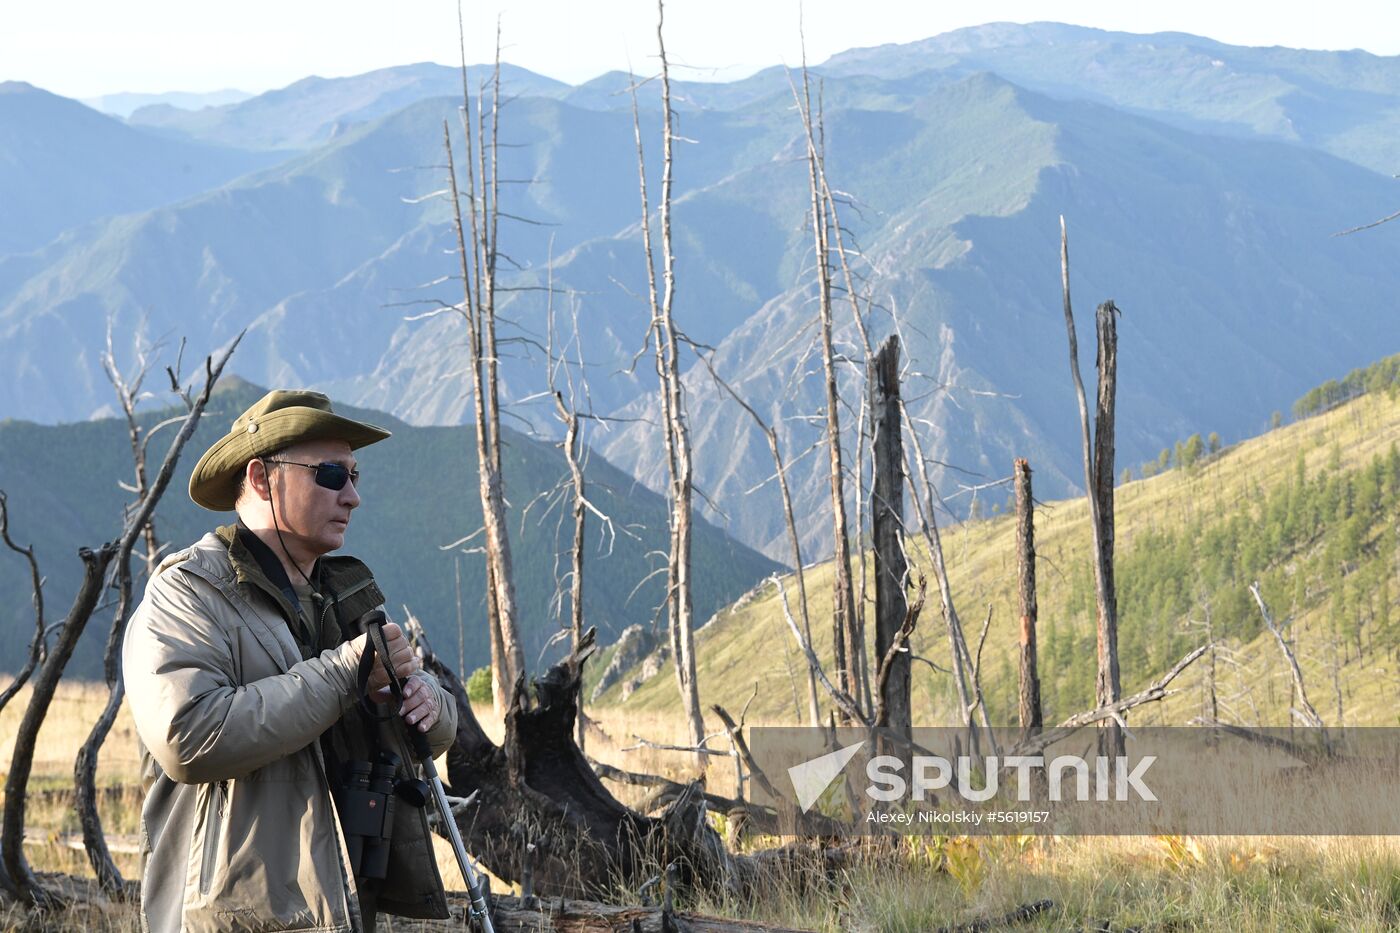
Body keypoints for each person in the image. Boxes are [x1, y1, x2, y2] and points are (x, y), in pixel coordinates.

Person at [124, 389, 459, 932]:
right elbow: (188, 737)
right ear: (261, 478)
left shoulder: (346, 594)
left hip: (346, 908)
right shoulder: (187, 594)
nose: (352, 496)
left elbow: (432, 736)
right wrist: (347, 675)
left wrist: (420, 702)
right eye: (331, 474)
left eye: (355, 476)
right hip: (234, 916)